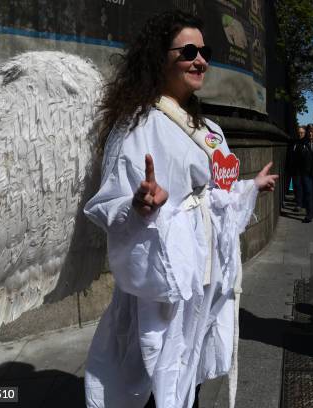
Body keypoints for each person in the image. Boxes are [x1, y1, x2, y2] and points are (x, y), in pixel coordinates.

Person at [82, 10, 278, 408]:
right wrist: (140, 206)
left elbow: (213, 192)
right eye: (188, 50)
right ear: (159, 57)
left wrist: (248, 187)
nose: (200, 59)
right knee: (158, 370)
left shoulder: (208, 128)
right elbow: (109, 202)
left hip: (204, 274)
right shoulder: (137, 123)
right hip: (165, 277)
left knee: (193, 367)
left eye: (204, 51)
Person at [286, 126, 306, 212]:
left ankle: (301, 203)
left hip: (304, 168)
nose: (300, 134)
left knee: (302, 185)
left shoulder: (305, 143)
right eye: (299, 132)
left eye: (302, 133)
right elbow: (289, 155)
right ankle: (298, 202)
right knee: (296, 185)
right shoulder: (294, 142)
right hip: (294, 168)